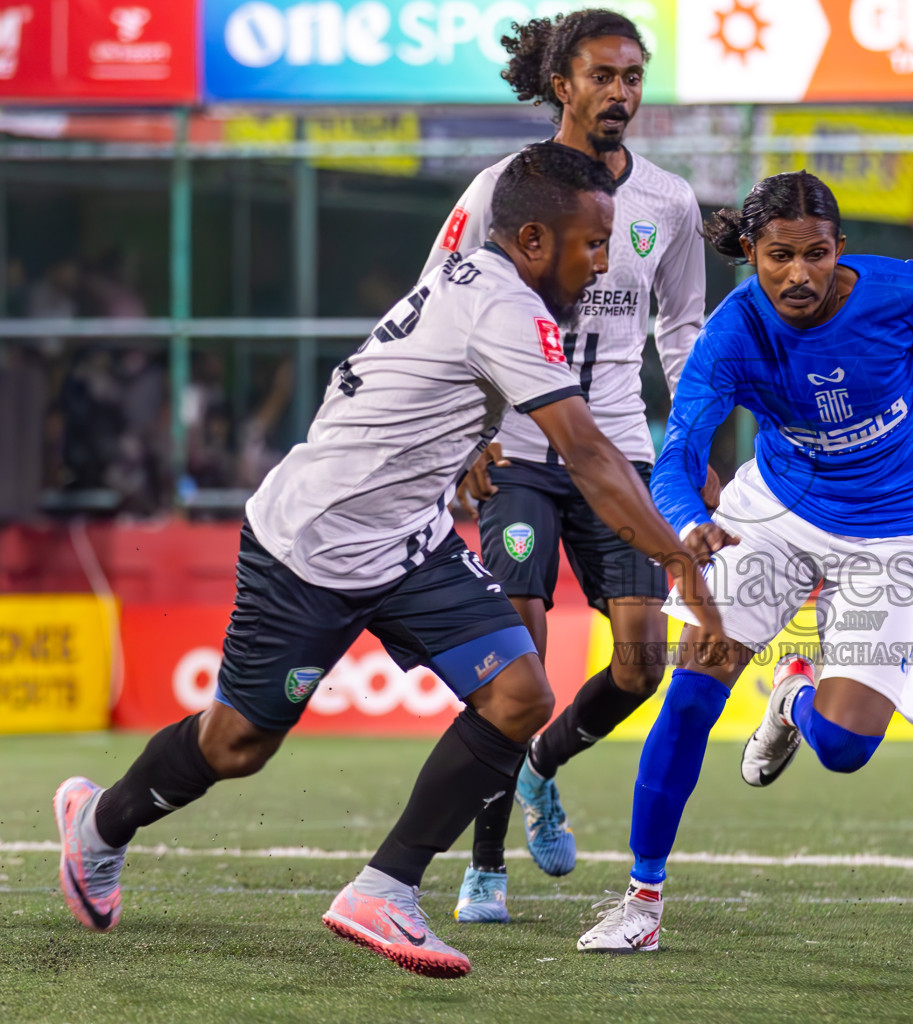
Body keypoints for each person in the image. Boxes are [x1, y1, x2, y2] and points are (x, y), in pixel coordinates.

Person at [51, 143, 724, 979]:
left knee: (520, 696)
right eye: (592, 243)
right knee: (237, 746)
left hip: (408, 540)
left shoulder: (491, 282)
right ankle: (100, 823)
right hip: (315, 545)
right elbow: (587, 453)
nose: (604, 262)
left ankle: (385, 889)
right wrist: (680, 555)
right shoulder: (505, 308)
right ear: (534, 243)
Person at [575, 171, 913, 953]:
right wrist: (689, 521)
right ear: (750, 252)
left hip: (892, 530)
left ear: (841, 250)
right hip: (771, 516)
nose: (798, 274)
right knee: (694, 682)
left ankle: (791, 701)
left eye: (816, 254)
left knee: (842, 749)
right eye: (778, 257)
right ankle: (641, 900)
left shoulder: (907, 294)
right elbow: (676, 458)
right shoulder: (732, 335)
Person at [420, 8, 714, 919]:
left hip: (618, 449)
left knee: (640, 664)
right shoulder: (501, 188)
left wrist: (691, 448)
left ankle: (547, 766)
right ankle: (485, 867)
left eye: (633, 76)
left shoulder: (665, 203)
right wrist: (463, 436)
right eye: (603, 75)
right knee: (519, 662)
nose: (620, 92)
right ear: (563, 84)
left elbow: (685, 332)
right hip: (521, 451)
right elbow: (437, 301)